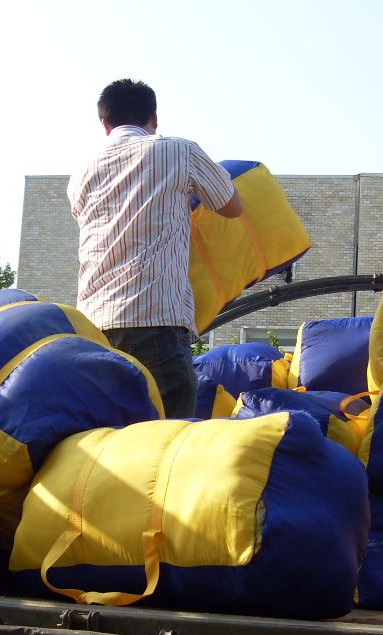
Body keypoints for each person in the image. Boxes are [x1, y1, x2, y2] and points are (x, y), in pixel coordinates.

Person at [67, 78, 243, 418]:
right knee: (168, 437)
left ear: (105, 124)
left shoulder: (82, 173)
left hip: (92, 327)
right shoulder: (179, 151)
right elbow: (233, 206)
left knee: (109, 434)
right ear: (155, 119)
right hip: (154, 321)